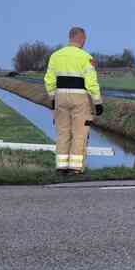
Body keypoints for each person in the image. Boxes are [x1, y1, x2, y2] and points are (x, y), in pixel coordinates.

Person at [43, 26, 103, 175]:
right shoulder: (86, 57)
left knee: (63, 132)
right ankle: (75, 168)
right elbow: (91, 83)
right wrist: (97, 102)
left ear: (70, 37)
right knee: (79, 132)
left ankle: (61, 167)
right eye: (85, 39)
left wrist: (52, 98)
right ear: (81, 38)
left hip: (60, 97)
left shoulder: (55, 56)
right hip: (79, 98)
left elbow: (49, 80)